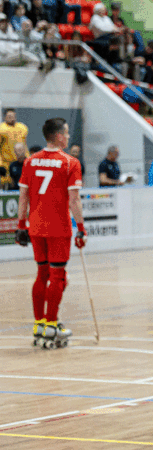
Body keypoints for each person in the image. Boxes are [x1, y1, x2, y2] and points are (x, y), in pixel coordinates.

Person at [14, 117, 85, 347]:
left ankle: (39, 324)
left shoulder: (30, 161)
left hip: (35, 227)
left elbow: (23, 196)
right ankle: (52, 325)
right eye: (66, 133)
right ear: (59, 136)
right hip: (58, 228)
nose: (68, 136)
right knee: (57, 277)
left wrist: (21, 225)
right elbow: (74, 200)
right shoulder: (70, 163)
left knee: (41, 275)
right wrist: (81, 228)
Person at [0, 108, 29, 183]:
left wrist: (28, 158)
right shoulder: (1, 129)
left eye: (13, 116)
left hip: (20, 161)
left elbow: (24, 144)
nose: (12, 118)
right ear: (4, 117)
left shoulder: (22, 128)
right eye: (9, 116)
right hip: (6, 162)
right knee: (7, 182)